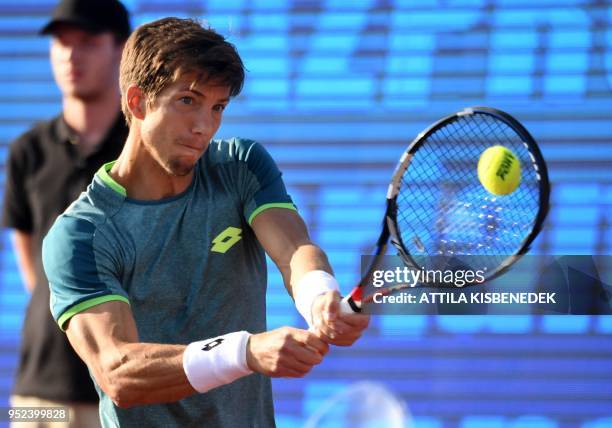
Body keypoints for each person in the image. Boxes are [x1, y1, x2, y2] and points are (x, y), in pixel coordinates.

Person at [42, 17, 369, 428]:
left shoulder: (241, 165)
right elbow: (118, 371)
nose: (204, 127)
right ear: (138, 101)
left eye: (217, 107)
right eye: (187, 101)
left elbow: (293, 252)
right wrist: (244, 352)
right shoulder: (82, 235)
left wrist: (320, 296)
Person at [2, 0, 130, 426]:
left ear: (123, 50)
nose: (71, 55)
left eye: (88, 42)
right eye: (61, 43)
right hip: (38, 394)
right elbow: (35, 271)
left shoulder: (145, 152)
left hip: (121, 388)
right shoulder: (28, 150)